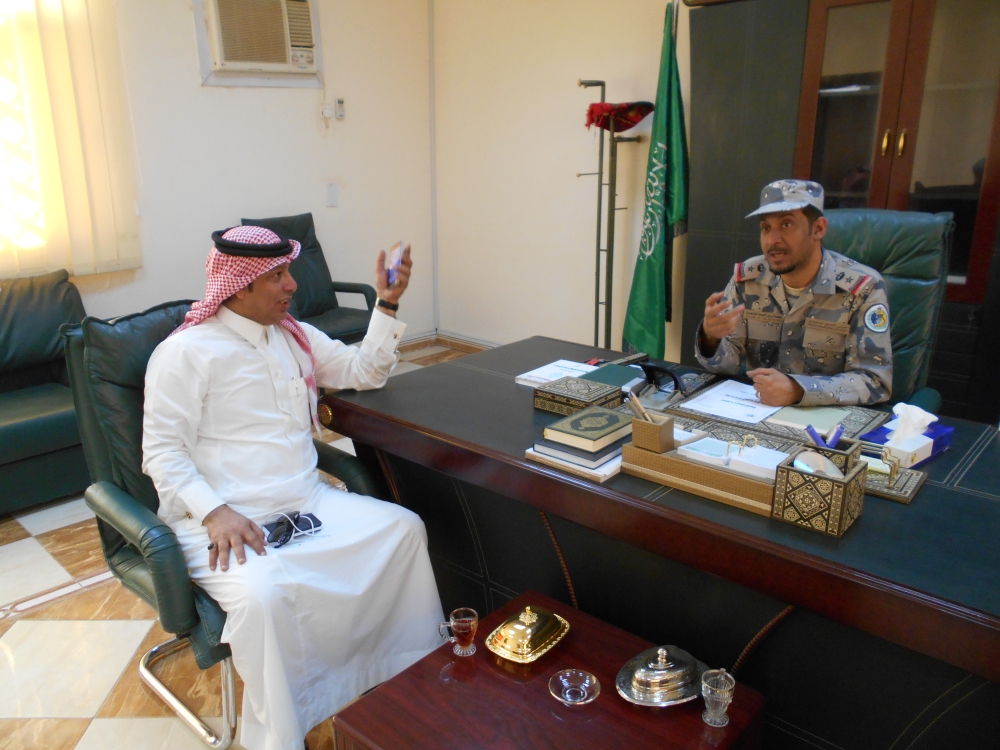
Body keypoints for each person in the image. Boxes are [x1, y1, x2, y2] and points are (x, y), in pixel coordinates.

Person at [142, 226, 444, 750]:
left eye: (288, 272)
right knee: (263, 597)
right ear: (239, 286)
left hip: (307, 501)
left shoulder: (292, 335)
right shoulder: (185, 353)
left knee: (403, 531)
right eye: (278, 275)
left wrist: (388, 302)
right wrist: (215, 512)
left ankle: (407, 679)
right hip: (223, 522)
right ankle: (281, 734)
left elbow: (364, 371)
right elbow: (162, 454)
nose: (292, 285)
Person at [695, 179, 892, 407]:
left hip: (824, 418)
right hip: (757, 409)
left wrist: (799, 390)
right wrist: (711, 338)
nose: (773, 240)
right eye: (766, 228)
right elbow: (728, 366)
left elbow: (875, 382)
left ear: (818, 229)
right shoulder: (748, 279)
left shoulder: (862, 288)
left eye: (786, 225)